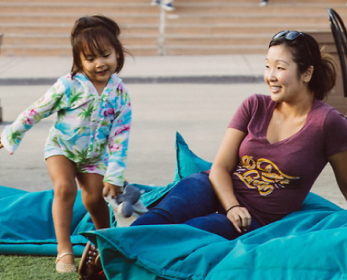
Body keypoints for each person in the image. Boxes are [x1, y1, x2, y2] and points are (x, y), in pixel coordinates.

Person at [78, 30, 347, 279]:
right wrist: (231, 205)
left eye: (280, 68)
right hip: (213, 185)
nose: (270, 76)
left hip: (253, 217)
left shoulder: (328, 123)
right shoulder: (254, 105)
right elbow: (220, 167)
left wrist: (236, 212)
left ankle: (112, 262)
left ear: (307, 73)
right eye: (267, 66)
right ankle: (110, 245)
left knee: (193, 231)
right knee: (167, 213)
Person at [0, 15, 132, 273]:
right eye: (90, 58)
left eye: (105, 55)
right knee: (64, 188)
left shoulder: (120, 92)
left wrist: (114, 175)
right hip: (61, 148)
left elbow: (120, 135)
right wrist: (10, 135)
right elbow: (36, 110)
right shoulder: (68, 85)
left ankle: (107, 243)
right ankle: (64, 250)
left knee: (95, 199)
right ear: (79, 61)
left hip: (93, 157)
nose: (99, 63)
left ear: (117, 54)